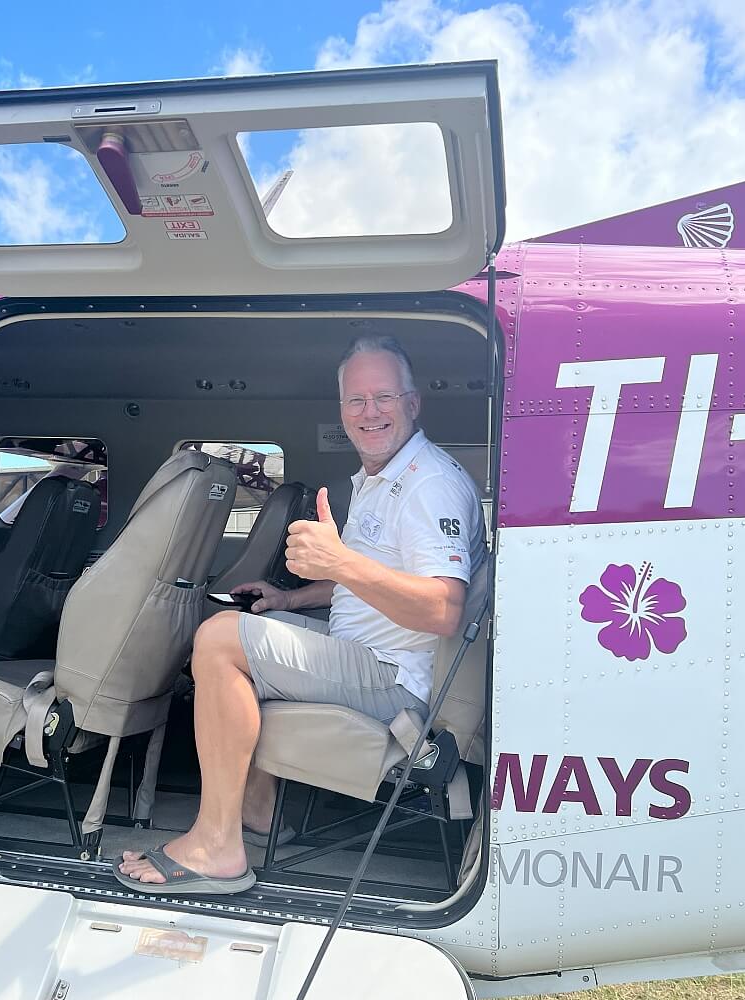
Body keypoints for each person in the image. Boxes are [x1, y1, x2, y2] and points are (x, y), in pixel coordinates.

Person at [115, 334, 487, 894]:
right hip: (371, 658)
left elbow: (443, 608)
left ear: (413, 403)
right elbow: (376, 583)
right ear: (342, 411)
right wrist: (291, 599)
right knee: (249, 630)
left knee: (220, 641)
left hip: (396, 680)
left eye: (383, 397)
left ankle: (217, 845)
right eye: (356, 401)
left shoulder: (427, 486)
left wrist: (338, 561)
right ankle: (260, 812)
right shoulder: (381, 479)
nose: (370, 412)